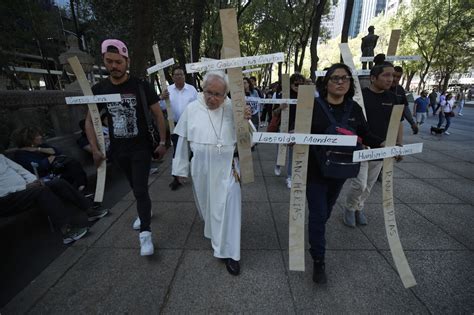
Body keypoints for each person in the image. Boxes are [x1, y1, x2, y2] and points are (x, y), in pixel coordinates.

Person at [86, 39, 168, 256]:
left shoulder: (141, 86)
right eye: (109, 61)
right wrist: (94, 148)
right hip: (118, 149)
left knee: (140, 189)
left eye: (118, 61)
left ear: (127, 61)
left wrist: (161, 142)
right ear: (104, 61)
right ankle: (145, 210)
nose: (114, 66)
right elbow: (90, 120)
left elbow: (158, 114)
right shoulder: (99, 89)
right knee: (136, 187)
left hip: (141, 147)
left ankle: (145, 235)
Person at [307, 63, 382, 284]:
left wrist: (386, 144)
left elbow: (366, 134)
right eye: (335, 78)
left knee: (326, 211)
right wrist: (294, 135)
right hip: (315, 172)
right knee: (319, 214)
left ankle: (316, 233)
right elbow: (298, 130)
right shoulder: (312, 107)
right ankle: (319, 260)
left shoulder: (354, 109)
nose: (340, 82)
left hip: (341, 171)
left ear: (350, 84)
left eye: (345, 78)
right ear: (326, 82)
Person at [172, 71, 249, 276]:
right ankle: (218, 242)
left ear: (225, 95)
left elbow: (250, 139)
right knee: (210, 208)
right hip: (201, 168)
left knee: (230, 207)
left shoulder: (233, 107)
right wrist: (180, 169)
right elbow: (182, 141)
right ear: (202, 89)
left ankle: (232, 254)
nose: (212, 98)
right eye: (208, 92)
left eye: (217, 94)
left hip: (228, 167)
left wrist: (245, 120)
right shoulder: (192, 108)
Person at [343, 60, 402, 227]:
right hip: (362, 147)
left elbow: (397, 122)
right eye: (386, 75)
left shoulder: (393, 97)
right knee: (359, 184)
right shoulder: (359, 98)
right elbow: (352, 124)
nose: (391, 79)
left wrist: (398, 144)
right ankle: (348, 207)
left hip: (383, 148)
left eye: (393, 75)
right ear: (373, 78)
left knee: (369, 184)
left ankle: (358, 207)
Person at [0, 154, 108, 244]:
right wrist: (24, 187)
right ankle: (67, 231)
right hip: (6, 197)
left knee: (57, 182)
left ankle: (90, 210)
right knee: (41, 191)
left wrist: (35, 181)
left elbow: (20, 170)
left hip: (26, 188)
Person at [13, 126, 88, 191]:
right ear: (29, 139)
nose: (41, 137)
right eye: (37, 135)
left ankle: (81, 187)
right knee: (72, 165)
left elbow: (56, 152)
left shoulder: (41, 146)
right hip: (42, 177)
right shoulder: (20, 155)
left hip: (54, 170)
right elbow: (39, 167)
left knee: (72, 164)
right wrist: (48, 160)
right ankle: (81, 188)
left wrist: (38, 149)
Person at [160, 65, 198, 191]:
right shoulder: (168, 90)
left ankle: (194, 174)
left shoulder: (192, 90)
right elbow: (161, 107)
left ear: (184, 76)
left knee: (193, 150)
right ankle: (176, 177)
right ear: (172, 77)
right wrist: (162, 98)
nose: (179, 76)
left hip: (191, 125)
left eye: (181, 74)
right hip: (175, 126)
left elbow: (199, 106)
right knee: (177, 151)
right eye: (176, 74)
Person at [272, 73, 306, 188]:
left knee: (293, 154)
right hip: (282, 127)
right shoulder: (283, 96)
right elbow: (274, 112)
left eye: (301, 84)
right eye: (296, 83)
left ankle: (290, 177)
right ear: (291, 84)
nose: (298, 86)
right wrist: (280, 108)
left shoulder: (306, 97)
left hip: (296, 129)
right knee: (280, 151)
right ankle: (278, 164)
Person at [390, 66, 418, 134]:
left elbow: (405, 107)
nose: (395, 79)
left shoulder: (400, 89)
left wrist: (412, 123)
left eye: (398, 77)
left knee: (396, 144)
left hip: (396, 123)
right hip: (382, 124)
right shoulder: (382, 88)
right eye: (393, 76)